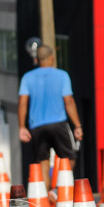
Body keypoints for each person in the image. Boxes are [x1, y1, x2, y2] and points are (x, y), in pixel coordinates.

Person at [18, 43, 82, 185]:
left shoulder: (27, 77)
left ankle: (45, 199)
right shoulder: (62, 75)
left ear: (37, 60)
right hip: (58, 123)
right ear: (52, 58)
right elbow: (69, 101)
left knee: (42, 163)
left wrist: (22, 127)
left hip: (37, 126)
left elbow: (22, 103)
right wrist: (77, 125)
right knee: (69, 157)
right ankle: (58, 189)